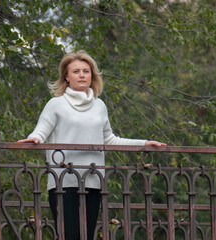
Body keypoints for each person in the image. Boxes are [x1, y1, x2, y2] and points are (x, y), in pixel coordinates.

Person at [18, 50, 166, 240]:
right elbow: (41, 132)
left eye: (86, 71)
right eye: (76, 71)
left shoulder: (99, 106)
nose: (82, 75)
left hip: (93, 179)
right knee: (69, 236)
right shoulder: (56, 104)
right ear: (66, 76)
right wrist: (34, 138)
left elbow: (109, 140)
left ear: (92, 75)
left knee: (86, 236)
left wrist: (144, 144)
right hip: (63, 180)